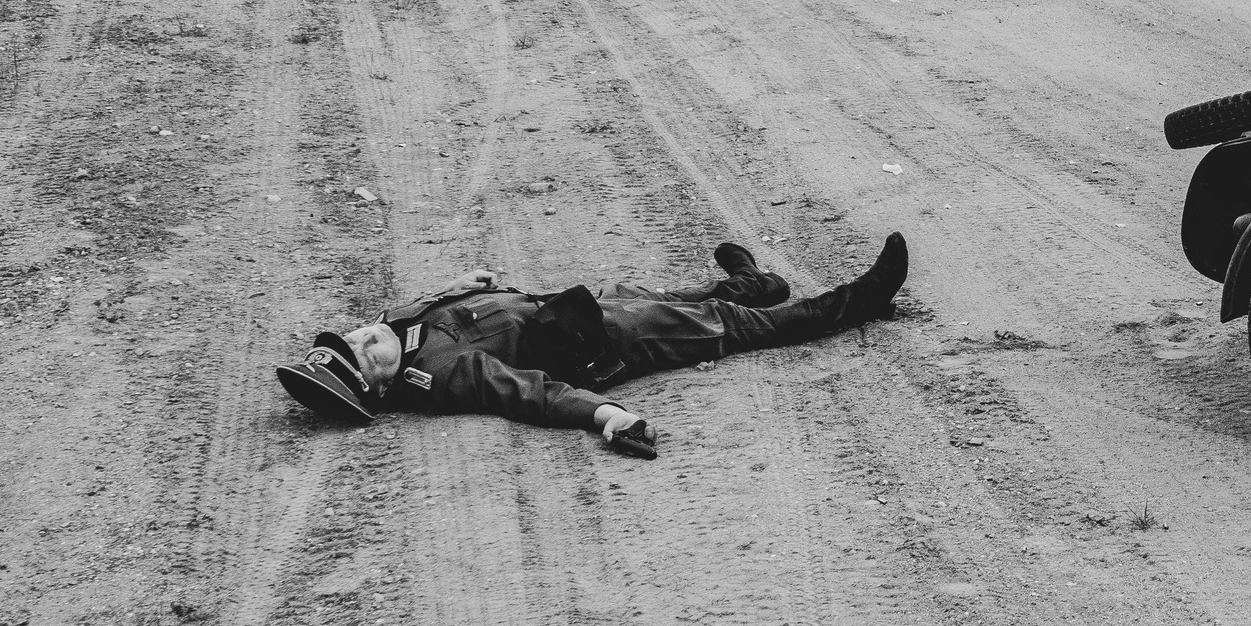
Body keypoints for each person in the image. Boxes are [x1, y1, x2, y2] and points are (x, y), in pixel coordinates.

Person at [275, 236, 908, 457]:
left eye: (355, 333)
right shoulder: (441, 376)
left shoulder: (397, 328)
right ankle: (861, 300)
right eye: (365, 353)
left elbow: (408, 315)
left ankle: (755, 283)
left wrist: (452, 289)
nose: (368, 334)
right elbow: (533, 395)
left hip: (571, 305)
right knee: (724, 324)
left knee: (677, 296)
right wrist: (608, 416)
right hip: (600, 341)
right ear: (381, 387)